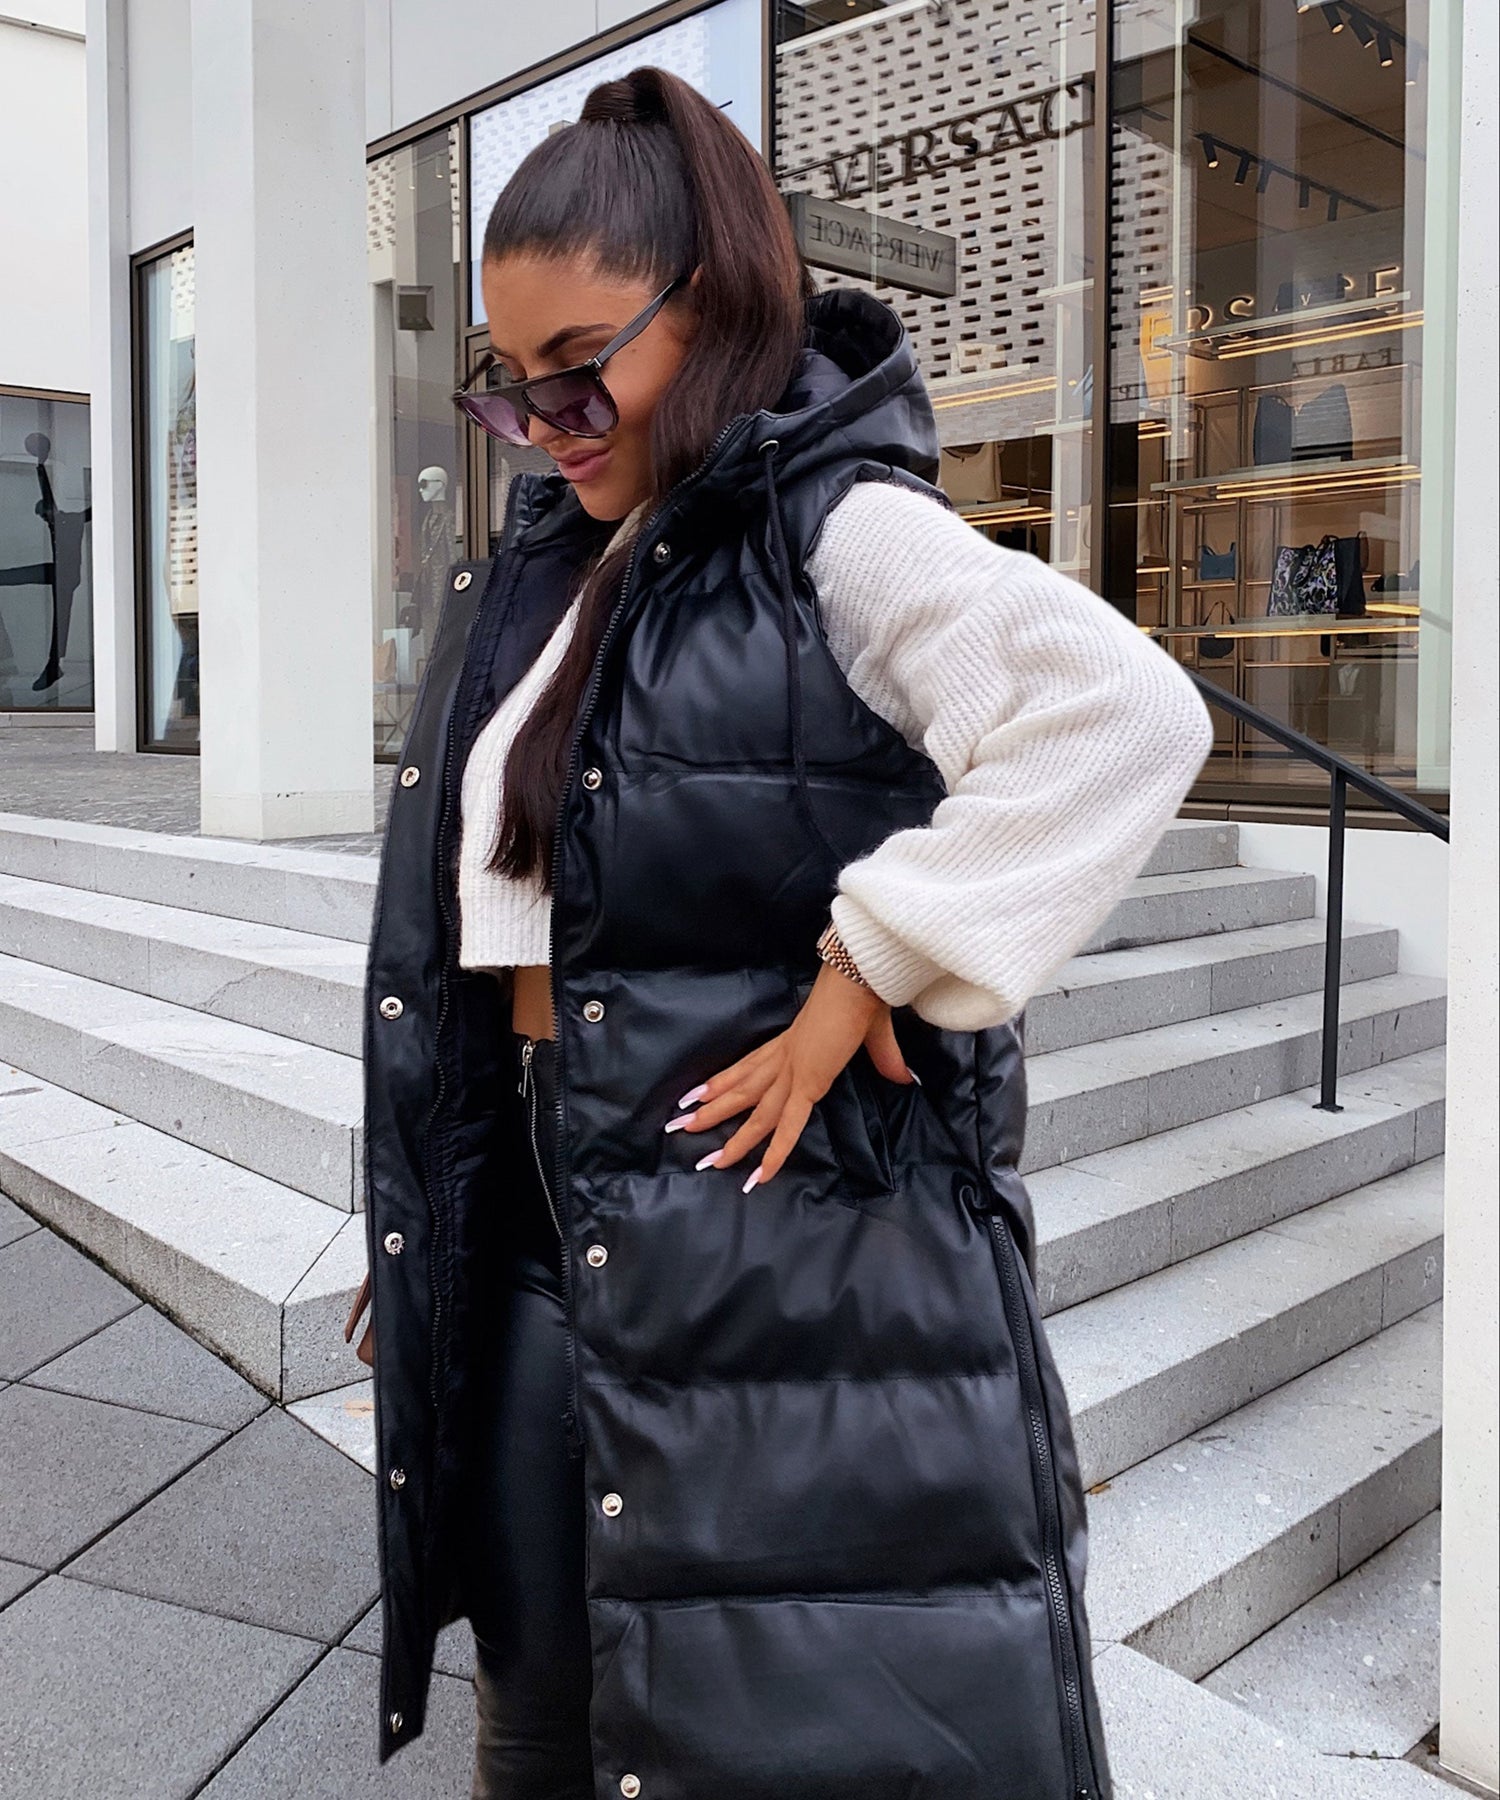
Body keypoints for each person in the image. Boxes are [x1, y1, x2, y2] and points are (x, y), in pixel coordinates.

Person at [362, 65, 1211, 1800]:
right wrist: (422, 1221)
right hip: (528, 1220)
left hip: (758, 1234)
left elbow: (1126, 716)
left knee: (747, 1722)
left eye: (581, 364)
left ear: (717, 301)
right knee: (534, 1706)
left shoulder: (841, 527)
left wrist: (869, 957)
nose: (550, 419)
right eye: (511, 385)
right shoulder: (544, 562)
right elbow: (461, 939)